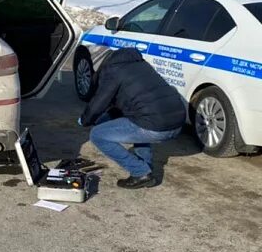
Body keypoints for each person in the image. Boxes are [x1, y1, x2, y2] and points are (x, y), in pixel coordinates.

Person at [79, 47, 187, 189]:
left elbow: (99, 102)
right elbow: (128, 100)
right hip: (177, 122)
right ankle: (146, 168)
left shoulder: (113, 71)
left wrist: (85, 120)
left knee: (97, 135)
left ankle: (140, 172)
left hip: (156, 126)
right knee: (139, 123)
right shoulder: (140, 64)